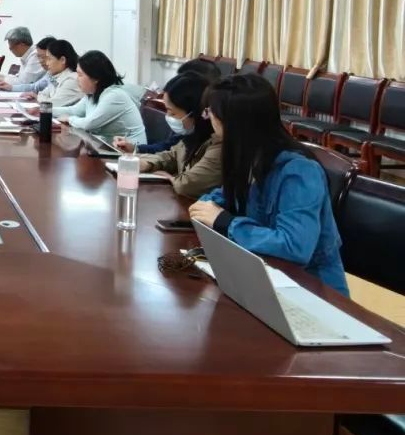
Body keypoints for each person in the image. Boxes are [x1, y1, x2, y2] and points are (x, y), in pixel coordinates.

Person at [189, 74, 348, 296]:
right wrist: (207, 207)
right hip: (262, 277)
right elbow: (219, 198)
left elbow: (295, 247)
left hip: (310, 290)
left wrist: (227, 222)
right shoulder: (249, 156)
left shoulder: (299, 171)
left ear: (234, 122)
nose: (209, 118)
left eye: (210, 112)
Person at [134, 72, 222, 199]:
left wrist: (171, 178)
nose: (168, 117)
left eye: (172, 113)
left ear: (195, 113)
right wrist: (148, 164)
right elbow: (173, 155)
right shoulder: (191, 135)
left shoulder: (218, 144)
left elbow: (187, 185)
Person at [114, 58, 223, 153]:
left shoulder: (216, 134)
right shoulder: (187, 125)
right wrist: (135, 149)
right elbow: (168, 150)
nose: (179, 85)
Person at [54, 50, 147, 143]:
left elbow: (89, 123)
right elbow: (73, 111)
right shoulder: (92, 93)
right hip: (108, 145)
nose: (77, 79)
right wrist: (47, 109)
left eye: (80, 75)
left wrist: (69, 119)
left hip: (131, 149)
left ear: (95, 78)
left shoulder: (114, 96)